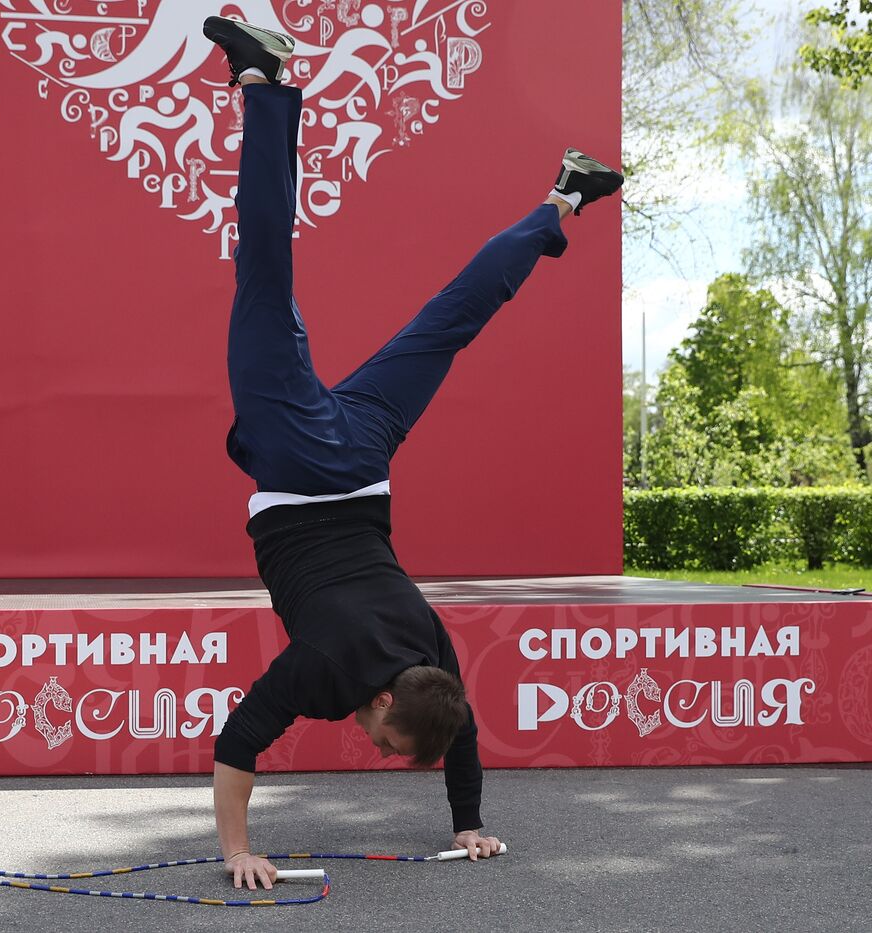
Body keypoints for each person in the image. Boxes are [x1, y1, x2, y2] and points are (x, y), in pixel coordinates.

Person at [200, 16, 625, 891]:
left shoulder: (433, 659)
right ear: (387, 700)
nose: (374, 742)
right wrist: (237, 850)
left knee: (452, 319)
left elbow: (459, 730)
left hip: (363, 457)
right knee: (264, 273)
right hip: (301, 461)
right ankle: (266, 87)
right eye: (385, 739)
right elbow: (236, 746)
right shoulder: (325, 674)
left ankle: (564, 201)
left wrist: (469, 824)